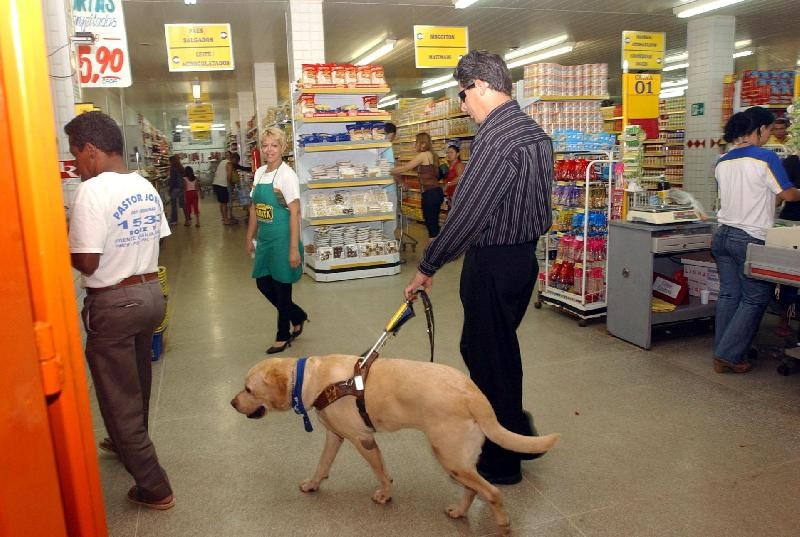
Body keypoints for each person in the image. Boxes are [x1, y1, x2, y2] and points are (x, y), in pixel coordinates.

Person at [403, 50, 553, 485]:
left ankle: (502, 458)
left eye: (463, 93)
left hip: (493, 261)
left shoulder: (496, 139)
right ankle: (517, 429)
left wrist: (427, 266)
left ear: (483, 85)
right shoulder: (534, 133)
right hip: (522, 259)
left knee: (488, 357)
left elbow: (467, 215)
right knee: (496, 349)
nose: (463, 105)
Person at [65, 111, 174, 509]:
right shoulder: (142, 184)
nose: (76, 164)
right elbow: (159, 238)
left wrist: (65, 240)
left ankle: (154, 486)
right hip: (149, 294)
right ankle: (124, 438)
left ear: (92, 150)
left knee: (116, 395)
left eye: (77, 154)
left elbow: (89, 263)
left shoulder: (92, 192)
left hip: (114, 301)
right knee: (137, 381)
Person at [712, 106, 800, 373]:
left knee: (729, 294)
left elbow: (749, 195)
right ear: (759, 129)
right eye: (769, 131)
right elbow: (789, 195)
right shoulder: (765, 157)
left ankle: (724, 350)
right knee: (755, 298)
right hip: (749, 237)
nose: (769, 137)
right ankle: (728, 354)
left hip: (723, 235)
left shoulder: (722, 161)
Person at [246, 127, 308, 354]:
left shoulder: (287, 175)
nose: (269, 150)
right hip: (265, 239)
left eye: (274, 145)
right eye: (265, 145)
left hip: (283, 238)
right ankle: (297, 314)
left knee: (282, 288)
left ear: (282, 148)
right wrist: (248, 236)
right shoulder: (259, 172)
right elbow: (254, 208)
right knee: (262, 282)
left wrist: (294, 249)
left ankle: (283, 334)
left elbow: (294, 213)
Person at [390, 132, 444, 241]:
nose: (415, 145)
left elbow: (406, 168)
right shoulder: (433, 155)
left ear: (423, 144)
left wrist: (389, 170)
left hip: (430, 194)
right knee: (434, 223)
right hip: (436, 192)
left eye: (416, 142)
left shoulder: (423, 155)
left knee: (431, 225)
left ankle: (433, 254)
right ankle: (438, 249)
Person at [774, 149, 800, 337]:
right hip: (792, 224)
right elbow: (780, 194)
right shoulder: (792, 162)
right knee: (789, 276)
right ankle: (784, 317)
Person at [212, 151, 235, 225]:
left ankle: (223, 218)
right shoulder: (229, 163)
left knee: (221, 203)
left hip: (216, 184)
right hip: (222, 185)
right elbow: (229, 176)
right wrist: (232, 184)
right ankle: (226, 220)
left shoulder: (222, 162)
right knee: (224, 203)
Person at [167, 155, 186, 225]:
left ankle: (174, 220)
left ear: (172, 161)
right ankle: (187, 219)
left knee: (174, 205)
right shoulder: (180, 167)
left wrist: (170, 189)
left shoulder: (172, 168)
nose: (169, 163)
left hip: (175, 188)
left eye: (170, 161)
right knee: (183, 205)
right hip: (181, 188)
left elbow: (173, 180)